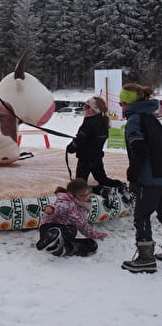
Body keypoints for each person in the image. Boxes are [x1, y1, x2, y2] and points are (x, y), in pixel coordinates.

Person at [119, 83, 162, 273]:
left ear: (128, 103)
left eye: (121, 103)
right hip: (160, 175)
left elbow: (139, 150)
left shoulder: (135, 120)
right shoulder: (152, 118)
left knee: (142, 215)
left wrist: (133, 175)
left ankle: (145, 258)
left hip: (148, 178)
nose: (120, 107)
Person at [66, 96, 125, 196]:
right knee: (103, 179)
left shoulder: (88, 123)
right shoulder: (103, 122)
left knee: (79, 186)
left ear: (94, 110)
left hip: (85, 160)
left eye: (87, 107)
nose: (85, 109)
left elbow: (79, 141)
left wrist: (71, 148)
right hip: (97, 158)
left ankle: (100, 190)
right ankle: (120, 186)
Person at [36, 178, 107, 257]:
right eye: (81, 195)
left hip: (57, 234)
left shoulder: (80, 206)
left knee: (91, 244)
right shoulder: (69, 203)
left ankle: (60, 249)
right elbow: (60, 206)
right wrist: (52, 209)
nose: (85, 197)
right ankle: (53, 237)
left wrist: (97, 235)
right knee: (72, 229)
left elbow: (84, 226)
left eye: (87, 194)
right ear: (72, 194)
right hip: (50, 229)